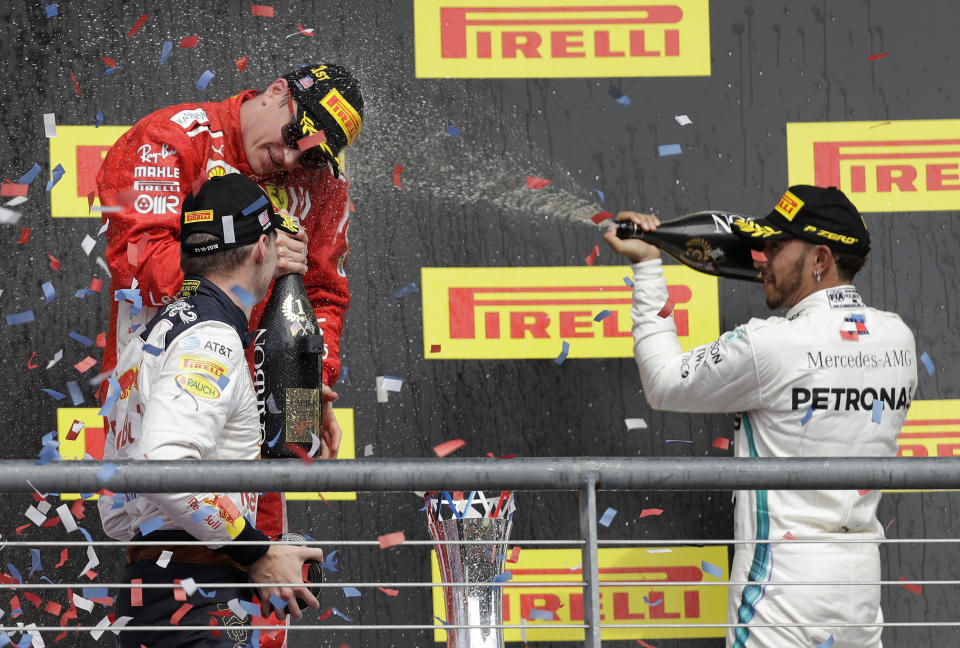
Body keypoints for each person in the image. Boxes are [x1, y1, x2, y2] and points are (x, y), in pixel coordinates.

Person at [603, 185, 917, 648]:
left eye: (775, 247)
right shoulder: (899, 339)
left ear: (820, 259)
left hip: (782, 593)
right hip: (860, 590)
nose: (759, 258)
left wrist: (649, 267)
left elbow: (665, 382)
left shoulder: (770, 344)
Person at [97, 61, 364, 469]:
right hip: (164, 386)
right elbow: (138, 265)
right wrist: (254, 263)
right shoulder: (172, 138)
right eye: (295, 136)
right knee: (175, 525)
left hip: (264, 404)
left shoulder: (325, 183)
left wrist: (310, 379)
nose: (291, 158)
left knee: (260, 534)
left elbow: (324, 297)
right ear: (276, 91)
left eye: (310, 157)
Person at [98, 174, 321, 647]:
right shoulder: (213, 339)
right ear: (263, 249)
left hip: (153, 596)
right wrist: (256, 552)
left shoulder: (151, 335)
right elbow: (165, 467)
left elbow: (115, 513)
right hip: (197, 602)